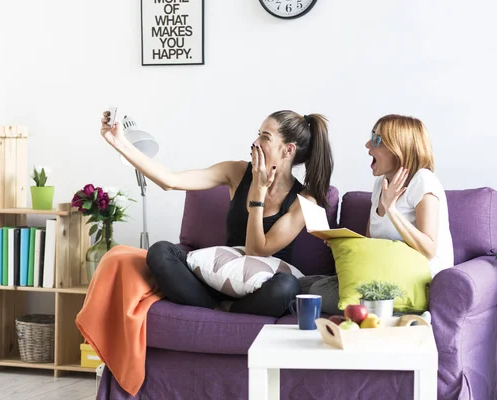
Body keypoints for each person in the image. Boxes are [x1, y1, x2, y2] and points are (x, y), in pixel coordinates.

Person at [100, 110, 334, 318]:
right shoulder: (236, 171)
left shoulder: (304, 201)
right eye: (258, 133)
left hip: (262, 290)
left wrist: (258, 194)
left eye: (265, 137)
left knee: (287, 287)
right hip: (217, 280)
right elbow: (170, 181)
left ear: (288, 150)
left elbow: (256, 250)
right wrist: (119, 142)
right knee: (160, 252)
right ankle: (215, 309)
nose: (255, 142)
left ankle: (218, 311)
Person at [301, 114, 453, 316]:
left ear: (399, 148)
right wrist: (343, 242)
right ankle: (385, 313)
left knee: (316, 292)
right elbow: (372, 245)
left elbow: (429, 249)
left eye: (376, 140)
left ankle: (409, 315)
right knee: (302, 285)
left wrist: (392, 210)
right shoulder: (379, 185)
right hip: (384, 275)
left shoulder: (422, 180)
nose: (367, 145)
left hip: (415, 283)